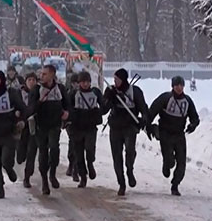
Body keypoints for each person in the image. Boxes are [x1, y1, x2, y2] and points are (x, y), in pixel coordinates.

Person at [146, 76, 200, 196]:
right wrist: (147, 125)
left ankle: (175, 185)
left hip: (179, 134)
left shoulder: (188, 101)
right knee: (170, 160)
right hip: (165, 133)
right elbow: (152, 111)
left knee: (181, 162)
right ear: (172, 86)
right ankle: (167, 164)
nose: (179, 88)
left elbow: (195, 117)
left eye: (181, 85)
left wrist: (192, 125)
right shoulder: (165, 98)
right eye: (177, 85)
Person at [102, 68, 148, 196]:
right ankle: (121, 184)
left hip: (130, 126)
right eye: (114, 79)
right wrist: (108, 99)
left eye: (117, 79)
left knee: (130, 151)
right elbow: (103, 109)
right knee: (117, 156)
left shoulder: (135, 91)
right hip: (115, 126)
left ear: (123, 80)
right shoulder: (111, 91)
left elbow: (143, 107)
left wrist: (143, 119)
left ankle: (130, 169)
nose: (114, 81)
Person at [25, 64, 69, 195]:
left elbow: (67, 104)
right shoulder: (36, 89)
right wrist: (40, 101)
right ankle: (44, 180)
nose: (41, 76)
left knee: (54, 149)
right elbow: (30, 109)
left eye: (44, 74)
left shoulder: (60, 88)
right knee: (43, 152)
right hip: (41, 125)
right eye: (41, 73)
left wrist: (67, 113)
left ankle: (53, 173)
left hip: (55, 124)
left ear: (52, 75)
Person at [0, 71, 27, 199]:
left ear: (2, 80)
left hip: (8, 132)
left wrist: (20, 118)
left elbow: (23, 108)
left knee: (6, 159)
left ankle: (9, 169)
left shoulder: (11, 93)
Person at [67, 71, 103, 188]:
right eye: (83, 82)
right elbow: (67, 107)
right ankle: (83, 177)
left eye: (87, 82)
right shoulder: (73, 94)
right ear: (79, 83)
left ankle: (91, 163)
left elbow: (104, 106)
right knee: (78, 154)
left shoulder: (95, 93)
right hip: (77, 127)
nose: (85, 84)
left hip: (90, 127)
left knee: (89, 148)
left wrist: (97, 113)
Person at [16, 72, 39, 188]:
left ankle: (27, 177)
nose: (31, 82)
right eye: (29, 80)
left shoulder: (40, 92)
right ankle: (20, 157)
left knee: (32, 152)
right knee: (21, 153)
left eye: (34, 80)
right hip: (22, 126)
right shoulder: (19, 93)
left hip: (35, 126)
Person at [65, 72, 80, 181]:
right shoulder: (69, 94)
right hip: (71, 123)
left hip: (82, 123)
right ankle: (72, 166)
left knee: (79, 147)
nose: (76, 85)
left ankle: (76, 168)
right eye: (74, 83)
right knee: (73, 144)